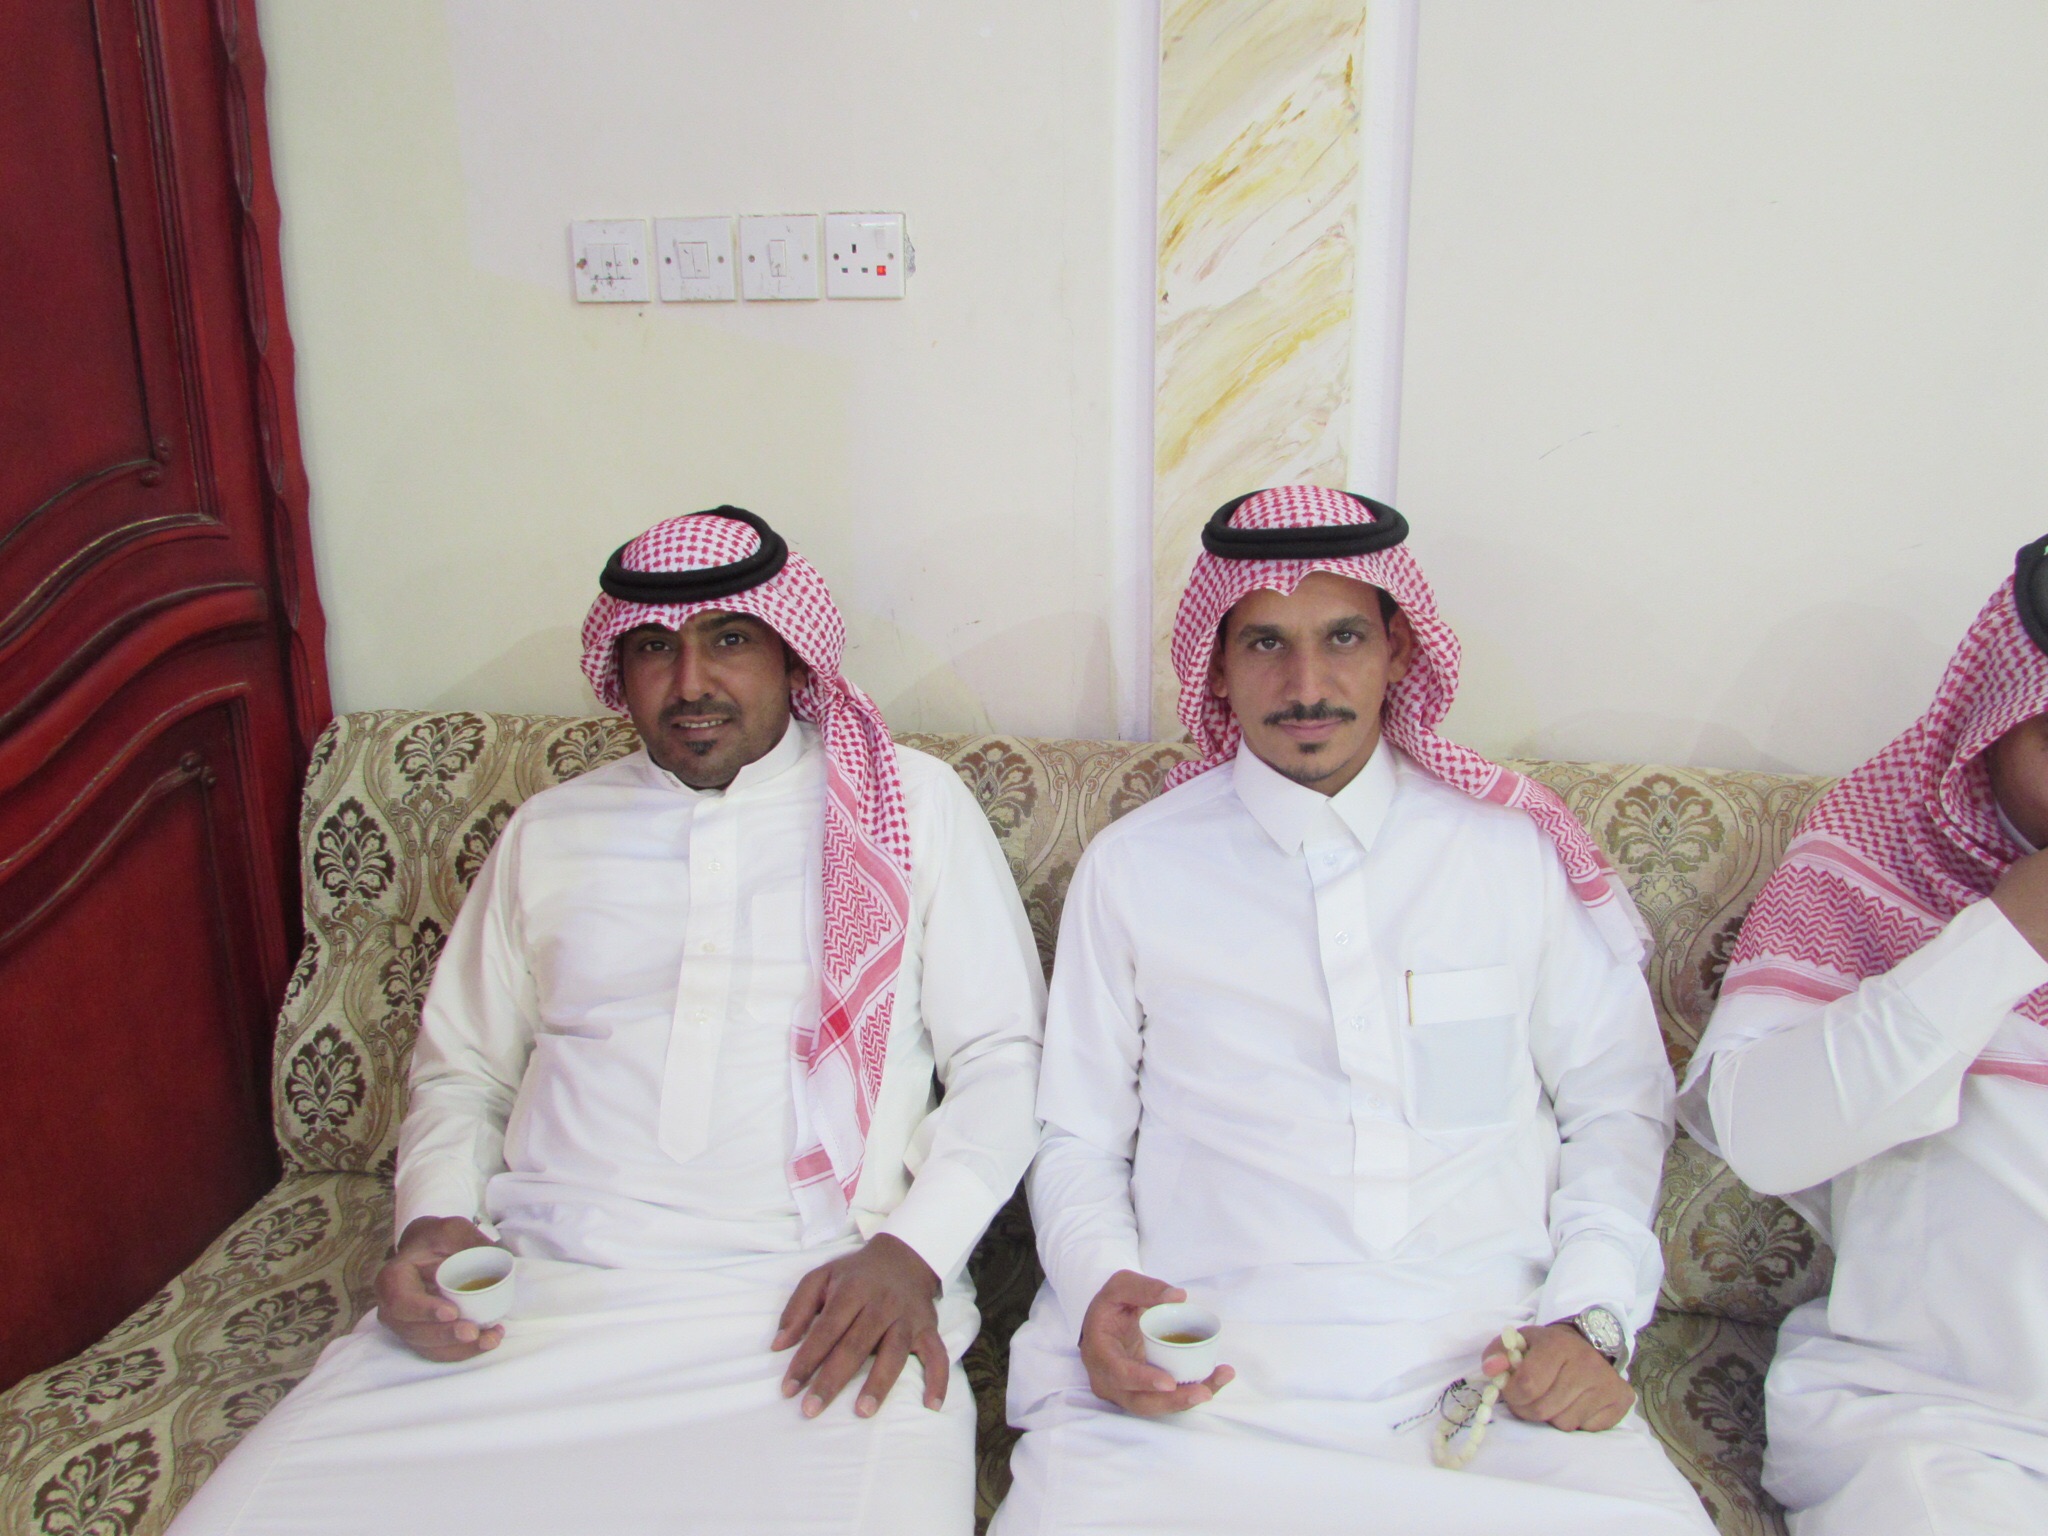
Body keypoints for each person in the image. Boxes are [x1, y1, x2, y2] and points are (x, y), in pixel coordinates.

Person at [171, 507, 1045, 1535]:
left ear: (790, 653)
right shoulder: (551, 832)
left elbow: (1004, 1060)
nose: (690, 683)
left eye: (729, 640)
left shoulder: (909, 806)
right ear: (617, 669)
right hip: (531, 1292)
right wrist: (435, 1219)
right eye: (653, 649)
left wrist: (912, 1254)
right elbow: (462, 1074)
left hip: (816, 1299)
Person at [992, 484, 1714, 1536]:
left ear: (1396, 650)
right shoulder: (1134, 869)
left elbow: (1617, 1104)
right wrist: (1105, 1289)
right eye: (1264, 644)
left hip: (1489, 1376)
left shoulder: (1505, 852)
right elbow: (1077, 1136)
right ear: (1216, 667)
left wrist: (1590, 1317)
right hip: (1204, 1373)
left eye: (1342, 637)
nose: (1307, 685)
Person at [1680, 539, 2048, 1533]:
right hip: (1944, 1438)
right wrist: (2006, 937)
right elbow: (1765, 1137)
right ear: (1987, 731)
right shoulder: (1884, 858)